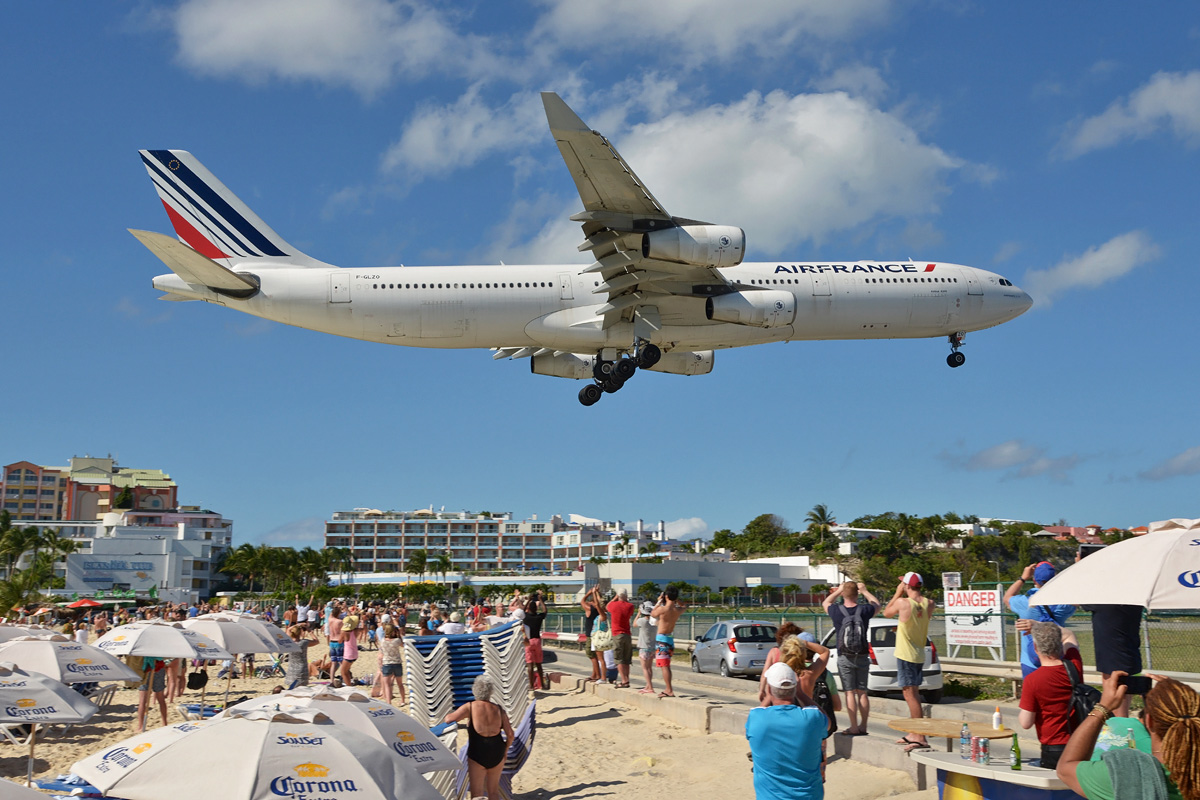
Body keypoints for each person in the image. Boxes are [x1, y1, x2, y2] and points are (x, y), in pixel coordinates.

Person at [1057, 672, 1200, 800]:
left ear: (1149, 721)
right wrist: (1179, 696)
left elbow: (1066, 768)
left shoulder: (1123, 775)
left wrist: (1102, 708)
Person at [745, 662, 826, 800]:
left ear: (769, 690)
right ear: (795, 688)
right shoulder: (812, 718)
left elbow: (758, 710)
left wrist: (767, 697)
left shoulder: (756, 718)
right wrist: (800, 693)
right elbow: (827, 722)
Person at [1017, 622, 1084, 769]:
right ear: (1059, 643)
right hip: (1080, 742)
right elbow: (1069, 635)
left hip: (1054, 746)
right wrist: (1038, 625)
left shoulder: (1033, 680)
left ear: (1035, 648)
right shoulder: (1074, 665)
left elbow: (1025, 723)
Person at [883, 571, 935, 752]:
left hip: (906, 653)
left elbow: (886, 613)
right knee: (913, 691)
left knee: (910, 694)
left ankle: (919, 735)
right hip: (919, 652)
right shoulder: (929, 603)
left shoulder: (903, 602)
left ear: (906, 585)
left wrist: (898, 593)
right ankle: (914, 732)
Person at [823, 580, 881, 736]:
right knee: (862, 692)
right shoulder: (864, 610)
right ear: (857, 594)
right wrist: (865, 590)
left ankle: (853, 726)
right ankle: (863, 726)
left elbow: (826, 602)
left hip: (845, 655)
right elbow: (877, 604)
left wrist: (838, 591)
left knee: (850, 693)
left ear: (843, 594)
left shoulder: (836, 611)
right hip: (862, 655)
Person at [445, 674, 515, 800]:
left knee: (477, 794)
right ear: (491, 692)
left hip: (477, 753)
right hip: (497, 752)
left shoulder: (470, 707)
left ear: (475, 690)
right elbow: (510, 734)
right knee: (493, 792)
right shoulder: (499, 709)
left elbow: (449, 719)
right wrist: (505, 750)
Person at [1005, 562, 1076, 678]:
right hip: (1056, 660)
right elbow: (1077, 599)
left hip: (1030, 661)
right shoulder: (1063, 605)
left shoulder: (1025, 603)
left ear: (1034, 580)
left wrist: (1023, 578)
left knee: (1032, 693)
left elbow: (1007, 598)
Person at [1083, 604, 1145, 718]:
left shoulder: (1104, 602)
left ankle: (1120, 733)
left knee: (1116, 710)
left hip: (1113, 659)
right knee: (1123, 702)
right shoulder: (1132, 600)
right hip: (1129, 655)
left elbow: (1077, 600)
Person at [757, 622, 802, 704]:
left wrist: (762, 690)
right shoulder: (798, 652)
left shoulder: (774, 652)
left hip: (775, 691)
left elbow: (764, 674)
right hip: (794, 690)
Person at [651, 586, 683, 698]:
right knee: (666, 665)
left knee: (664, 666)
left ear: (666, 596)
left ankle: (669, 689)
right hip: (670, 638)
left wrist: (659, 600)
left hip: (662, 639)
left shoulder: (663, 609)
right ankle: (668, 688)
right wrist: (676, 599)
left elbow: (653, 613)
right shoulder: (677, 610)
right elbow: (684, 606)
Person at [606, 589, 635, 688]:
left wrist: (614, 598)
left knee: (619, 659)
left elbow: (607, 606)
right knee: (627, 659)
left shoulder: (613, 605)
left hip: (617, 634)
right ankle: (627, 679)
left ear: (618, 595)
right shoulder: (630, 606)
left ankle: (624, 680)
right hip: (627, 634)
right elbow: (630, 613)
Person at [135, 657, 169, 733]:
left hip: (145, 668)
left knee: (142, 701)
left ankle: (140, 726)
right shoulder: (160, 646)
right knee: (160, 699)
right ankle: (164, 723)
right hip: (158, 668)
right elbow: (166, 657)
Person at [581, 586, 605, 683]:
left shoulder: (590, 608)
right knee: (596, 656)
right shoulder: (601, 610)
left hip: (591, 634)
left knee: (591, 655)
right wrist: (596, 593)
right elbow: (599, 603)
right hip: (598, 634)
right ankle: (595, 674)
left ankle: (597, 674)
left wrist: (589, 593)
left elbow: (582, 601)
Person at [377, 624, 406, 706]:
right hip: (397, 663)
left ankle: (388, 702)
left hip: (387, 663)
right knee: (400, 684)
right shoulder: (397, 641)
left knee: (387, 685)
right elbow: (403, 645)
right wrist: (399, 635)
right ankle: (403, 700)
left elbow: (381, 652)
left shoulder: (382, 641)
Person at [524, 595, 548, 691]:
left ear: (529, 608)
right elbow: (545, 611)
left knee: (530, 664)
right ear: (536, 608)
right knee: (539, 664)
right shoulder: (538, 617)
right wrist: (541, 600)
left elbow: (522, 611)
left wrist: (528, 600)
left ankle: (531, 685)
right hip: (537, 641)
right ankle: (542, 684)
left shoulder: (526, 617)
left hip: (528, 641)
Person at [634, 600, 658, 695]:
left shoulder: (642, 621)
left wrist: (638, 614)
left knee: (644, 668)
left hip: (644, 647)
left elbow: (634, 623)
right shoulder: (654, 621)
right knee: (649, 668)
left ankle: (650, 687)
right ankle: (648, 685)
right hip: (652, 646)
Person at [286, 623, 317, 687]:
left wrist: (298, 625)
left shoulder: (289, 642)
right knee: (302, 688)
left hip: (291, 667)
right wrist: (310, 631)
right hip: (302, 667)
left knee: (291, 687)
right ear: (300, 633)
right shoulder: (304, 642)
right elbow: (316, 641)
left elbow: (288, 629)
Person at [341, 611, 360, 684]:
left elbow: (340, 641)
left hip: (348, 654)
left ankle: (349, 687)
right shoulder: (355, 631)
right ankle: (349, 685)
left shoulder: (345, 632)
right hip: (354, 653)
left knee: (343, 672)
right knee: (347, 671)